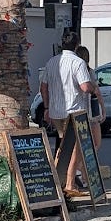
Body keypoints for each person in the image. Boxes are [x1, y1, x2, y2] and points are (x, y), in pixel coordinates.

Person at [39, 29, 95, 197]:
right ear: (76, 45)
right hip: (74, 111)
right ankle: (70, 183)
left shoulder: (51, 62)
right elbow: (85, 87)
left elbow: (43, 87)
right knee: (77, 147)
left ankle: (56, 182)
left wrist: (47, 108)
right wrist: (93, 88)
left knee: (64, 146)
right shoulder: (78, 62)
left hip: (56, 111)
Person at [75, 45, 111, 180]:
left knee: (84, 144)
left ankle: (81, 172)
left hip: (79, 112)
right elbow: (97, 92)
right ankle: (80, 168)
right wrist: (103, 109)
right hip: (91, 112)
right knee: (95, 144)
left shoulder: (76, 70)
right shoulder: (89, 72)